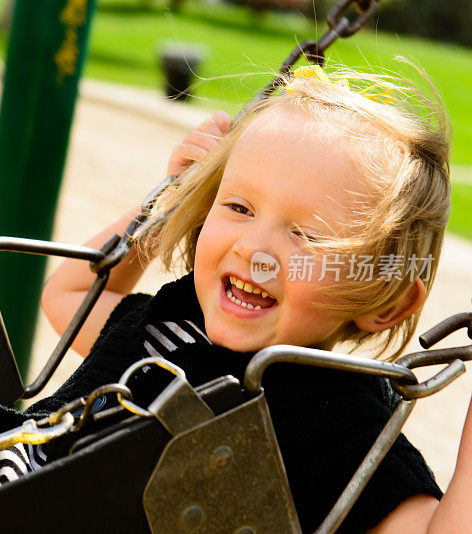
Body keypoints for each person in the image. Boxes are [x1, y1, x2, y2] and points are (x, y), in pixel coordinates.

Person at [35, 65, 471, 532]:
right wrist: (167, 205)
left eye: (306, 235)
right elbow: (71, 292)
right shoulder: (172, 323)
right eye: (239, 208)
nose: (253, 249)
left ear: (384, 303)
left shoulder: (341, 424)